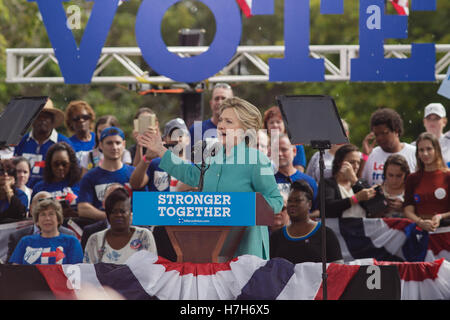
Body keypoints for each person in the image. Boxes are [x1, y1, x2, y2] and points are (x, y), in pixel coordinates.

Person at [139, 97, 283, 259]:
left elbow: (276, 202)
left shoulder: (257, 160)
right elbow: (192, 175)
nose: (221, 125)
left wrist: (244, 206)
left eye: (229, 121)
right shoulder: (212, 155)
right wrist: (160, 149)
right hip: (211, 250)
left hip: (246, 251)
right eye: (221, 120)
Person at [270, 180, 343, 264]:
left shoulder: (326, 234)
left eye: (298, 200)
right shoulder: (276, 237)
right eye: (290, 201)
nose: (292, 204)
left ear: (309, 204)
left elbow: (339, 270)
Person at [83, 187, 157, 264]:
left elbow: (151, 270)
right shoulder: (95, 239)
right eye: (114, 212)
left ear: (130, 213)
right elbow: (88, 272)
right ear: (108, 215)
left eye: (122, 211)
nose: (118, 215)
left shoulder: (144, 235)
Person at [78, 127, 135, 221]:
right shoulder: (90, 177)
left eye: (118, 143)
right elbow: (83, 208)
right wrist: (111, 217)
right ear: (100, 145)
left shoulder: (134, 173)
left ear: (124, 144)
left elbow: (146, 208)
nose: (114, 147)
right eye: (109, 143)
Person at [14, 98, 73, 188]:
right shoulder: (21, 142)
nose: (42, 120)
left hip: (53, 195)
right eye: (38, 116)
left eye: (46, 116)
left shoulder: (64, 143)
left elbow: (73, 174)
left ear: (53, 120)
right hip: (23, 194)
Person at [6, 191, 76, 263]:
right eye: (42, 214)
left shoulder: (70, 238)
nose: (47, 218)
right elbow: (11, 268)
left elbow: (77, 268)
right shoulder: (21, 239)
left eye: (51, 213)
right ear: (32, 210)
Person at [404, 132, 450, 232]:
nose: (425, 153)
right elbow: (408, 209)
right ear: (417, 153)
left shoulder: (448, 176)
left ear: (437, 150)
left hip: (446, 234)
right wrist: (420, 222)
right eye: (421, 150)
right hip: (421, 234)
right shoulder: (412, 178)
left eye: (429, 149)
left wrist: (440, 217)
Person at [360, 108, 416, 186]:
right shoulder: (369, 155)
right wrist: (364, 156)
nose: (379, 138)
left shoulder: (415, 153)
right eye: (376, 134)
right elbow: (357, 185)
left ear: (396, 131)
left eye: (384, 133)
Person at [318, 144, 377, 218]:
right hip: (337, 228)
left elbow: (375, 206)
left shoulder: (362, 182)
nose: (356, 166)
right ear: (339, 162)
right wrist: (356, 198)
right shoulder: (327, 183)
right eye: (352, 162)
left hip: (361, 227)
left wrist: (355, 181)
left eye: (358, 163)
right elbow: (327, 208)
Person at [31, 142, 81, 217]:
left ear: (71, 164)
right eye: (56, 164)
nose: (60, 168)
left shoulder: (80, 185)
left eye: (64, 164)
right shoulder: (39, 188)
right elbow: (32, 215)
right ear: (50, 165)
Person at [274, 134, 318, 206]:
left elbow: (317, 211)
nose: (279, 153)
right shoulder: (266, 181)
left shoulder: (309, 181)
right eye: (275, 150)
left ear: (294, 151)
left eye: (284, 149)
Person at [189, 83, 234, 148]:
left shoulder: (239, 129)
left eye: (224, 98)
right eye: (216, 98)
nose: (220, 102)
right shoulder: (196, 129)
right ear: (211, 103)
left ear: (233, 104)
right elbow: (186, 157)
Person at [263, 106, 307, 172]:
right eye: (271, 122)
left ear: (285, 124)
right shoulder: (262, 145)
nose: (275, 125)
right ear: (267, 126)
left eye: (278, 122)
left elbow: (299, 171)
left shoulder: (296, 145)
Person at [306, 119, 350, 183]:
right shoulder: (318, 155)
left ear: (346, 134)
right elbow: (308, 180)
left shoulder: (353, 156)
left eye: (338, 132)